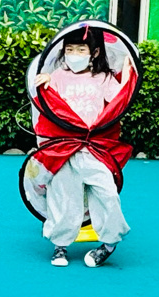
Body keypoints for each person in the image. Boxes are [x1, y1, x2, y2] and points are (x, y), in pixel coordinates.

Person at [34, 25, 135, 267]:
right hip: (64, 148)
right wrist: (45, 79)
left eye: (81, 49)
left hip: (93, 147)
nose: (74, 54)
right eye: (69, 49)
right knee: (63, 195)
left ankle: (109, 243)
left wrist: (129, 72)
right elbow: (46, 101)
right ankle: (60, 245)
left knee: (107, 192)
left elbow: (121, 100)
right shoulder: (57, 76)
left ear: (95, 52)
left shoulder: (103, 78)